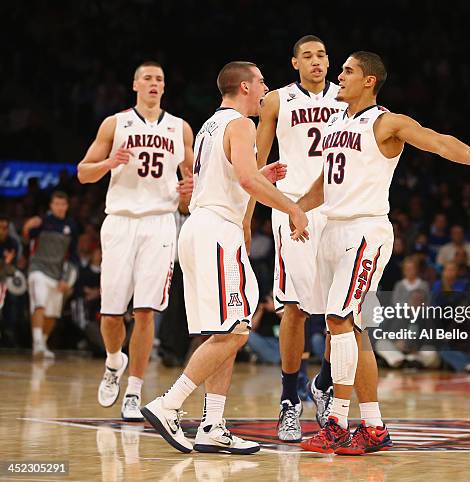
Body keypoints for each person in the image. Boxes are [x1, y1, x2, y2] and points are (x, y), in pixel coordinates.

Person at [296, 51, 470, 454]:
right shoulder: (337, 121)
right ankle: (374, 427)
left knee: (339, 321)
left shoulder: (386, 122)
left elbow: (438, 141)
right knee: (348, 329)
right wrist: (294, 209)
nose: (339, 76)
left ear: (369, 81)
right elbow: (325, 185)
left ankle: (337, 421)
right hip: (332, 229)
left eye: (348, 71)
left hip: (364, 230)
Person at [140, 61, 308, 454]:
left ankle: (213, 424)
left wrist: (260, 173)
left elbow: (235, 175)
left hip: (200, 228)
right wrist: (292, 208)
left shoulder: (209, 125)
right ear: (246, 87)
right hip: (217, 230)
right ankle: (169, 404)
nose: (267, 87)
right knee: (235, 330)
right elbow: (246, 181)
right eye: (262, 81)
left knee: (226, 333)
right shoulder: (241, 123)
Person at [77, 61, 195, 421]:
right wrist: (110, 161)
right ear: (135, 85)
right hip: (120, 221)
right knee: (112, 313)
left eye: (160, 79)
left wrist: (189, 191)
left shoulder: (180, 128)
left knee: (145, 311)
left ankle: (134, 390)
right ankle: (115, 361)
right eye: (148, 78)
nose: (154, 83)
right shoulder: (115, 123)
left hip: (161, 222)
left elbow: (190, 187)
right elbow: (83, 173)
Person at [256, 35, 346, 441]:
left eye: (322, 55)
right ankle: (289, 400)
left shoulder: (348, 101)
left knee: (338, 310)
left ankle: (323, 384)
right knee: (294, 306)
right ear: (294, 63)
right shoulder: (277, 100)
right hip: (293, 208)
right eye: (307, 56)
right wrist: (249, 214)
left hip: (338, 210)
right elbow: (256, 164)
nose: (316, 61)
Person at [23, 191, 79, 359]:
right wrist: (27, 226)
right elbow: (26, 240)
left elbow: (73, 256)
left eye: (62, 204)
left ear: (67, 206)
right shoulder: (41, 222)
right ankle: (38, 343)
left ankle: (42, 343)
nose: (59, 207)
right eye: (56, 204)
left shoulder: (71, 226)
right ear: (51, 205)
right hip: (38, 269)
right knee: (39, 304)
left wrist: (67, 279)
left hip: (57, 275)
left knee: (53, 314)